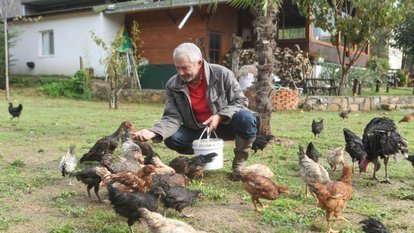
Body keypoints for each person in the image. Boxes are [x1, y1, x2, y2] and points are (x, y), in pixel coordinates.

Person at [133, 42, 257, 181]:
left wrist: (220, 116)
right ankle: (200, 157)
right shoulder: (173, 84)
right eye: (177, 68)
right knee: (172, 139)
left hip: (225, 125)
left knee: (246, 117)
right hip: (197, 129)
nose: (181, 73)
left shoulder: (222, 74)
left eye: (185, 68)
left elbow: (240, 101)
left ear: (198, 63)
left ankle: (239, 166)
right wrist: (154, 132)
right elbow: (172, 117)